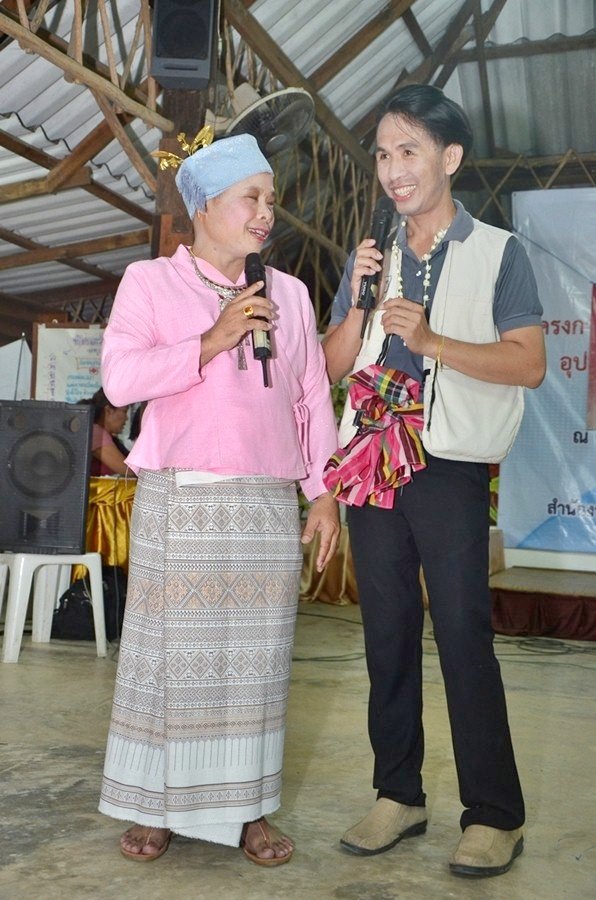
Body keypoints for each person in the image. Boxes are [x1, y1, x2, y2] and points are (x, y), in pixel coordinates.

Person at [97, 130, 340, 866]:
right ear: (203, 207)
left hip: (266, 504)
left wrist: (323, 493)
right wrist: (212, 338)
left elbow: (310, 396)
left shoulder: (289, 294)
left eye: (271, 199)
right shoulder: (149, 282)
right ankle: (157, 807)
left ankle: (248, 810)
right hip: (183, 500)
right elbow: (120, 381)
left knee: (257, 668)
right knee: (170, 662)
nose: (267, 213)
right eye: (251, 198)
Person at [323, 84, 545, 878]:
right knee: (385, 633)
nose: (392, 169)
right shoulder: (372, 255)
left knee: (461, 633)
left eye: (409, 151)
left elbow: (528, 363)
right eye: (383, 154)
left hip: (446, 462)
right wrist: (357, 301)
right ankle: (398, 794)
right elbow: (331, 366)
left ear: (449, 158)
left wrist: (434, 341)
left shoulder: (499, 253)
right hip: (371, 456)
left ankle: (494, 814)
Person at [83, 387, 131, 476]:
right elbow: (127, 471)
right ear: (108, 411)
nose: (126, 418)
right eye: (124, 411)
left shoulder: (98, 432)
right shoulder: (97, 433)